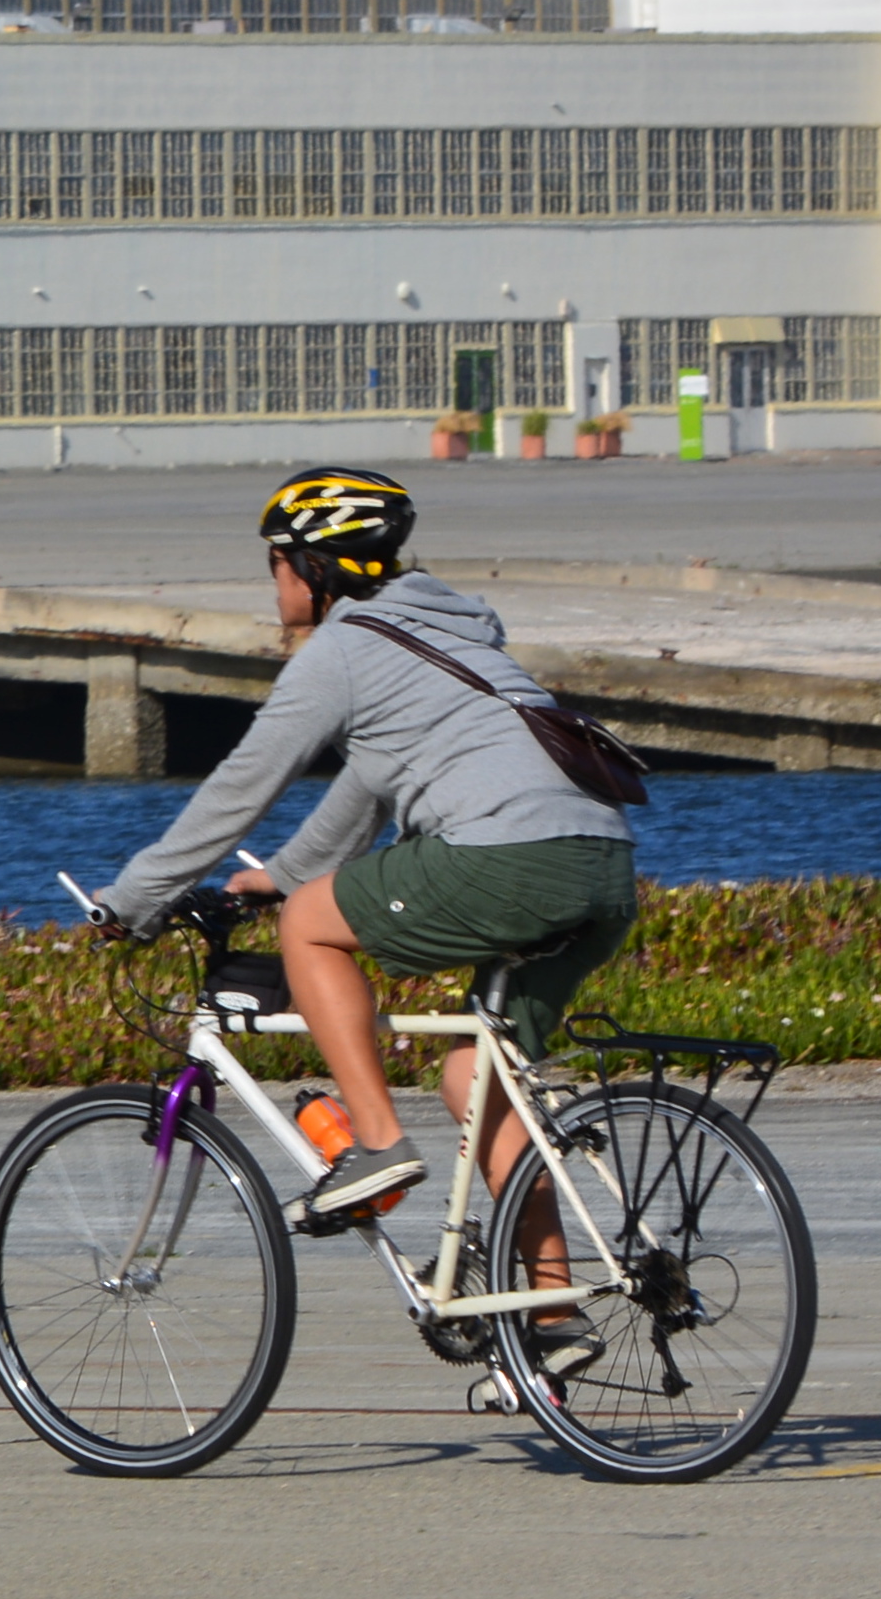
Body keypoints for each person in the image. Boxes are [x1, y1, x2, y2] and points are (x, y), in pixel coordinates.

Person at [91, 467, 639, 1272]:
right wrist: (279, 873)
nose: (274, 581)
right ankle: (553, 1308)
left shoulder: (342, 649)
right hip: (605, 867)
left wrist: (133, 898)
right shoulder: (450, 636)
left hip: (509, 857)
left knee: (309, 924)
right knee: (476, 1083)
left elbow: (241, 786)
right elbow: (368, 791)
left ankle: (378, 1144)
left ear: (313, 568)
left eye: (276, 562)